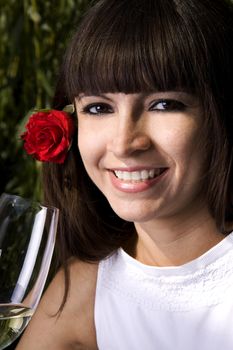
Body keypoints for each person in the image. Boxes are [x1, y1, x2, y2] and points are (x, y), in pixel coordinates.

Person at [17, 0, 233, 349]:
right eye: (99, 108)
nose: (124, 143)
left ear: (221, 115)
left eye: (164, 104)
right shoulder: (84, 290)